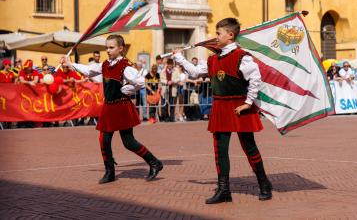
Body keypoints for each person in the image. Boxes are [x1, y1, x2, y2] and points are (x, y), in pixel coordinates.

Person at [173, 18, 272, 204]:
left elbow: (256, 79)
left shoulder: (243, 56)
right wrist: (179, 58)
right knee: (220, 150)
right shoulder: (213, 59)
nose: (215, 37)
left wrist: (249, 102)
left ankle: (264, 183)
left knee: (249, 147)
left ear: (230, 35)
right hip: (220, 106)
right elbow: (194, 72)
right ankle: (224, 190)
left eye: (218, 33)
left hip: (239, 106)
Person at [60, 34, 163, 184]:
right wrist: (70, 64)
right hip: (109, 106)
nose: (108, 50)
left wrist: (127, 90)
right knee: (104, 139)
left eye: (111, 47)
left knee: (128, 142)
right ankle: (110, 171)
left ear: (121, 48)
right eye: (106, 47)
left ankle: (154, 162)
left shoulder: (125, 66)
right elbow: (89, 71)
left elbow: (140, 81)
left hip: (121, 106)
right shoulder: (105, 64)